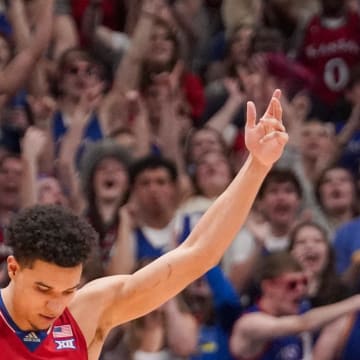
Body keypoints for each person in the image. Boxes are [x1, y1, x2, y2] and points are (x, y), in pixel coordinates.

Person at [0, 89, 288, 359]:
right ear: (13, 268)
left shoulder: (84, 312)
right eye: (44, 289)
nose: (55, 306)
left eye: (67, 291)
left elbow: (199, 254)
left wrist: (257, 165)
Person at [229, 252, 360, 359]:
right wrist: (355, 302)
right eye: (292, 284)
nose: (301, 289)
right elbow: (304, 323)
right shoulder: (249, 323)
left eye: (304, 282)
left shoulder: (300, 312)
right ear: (268, 286)